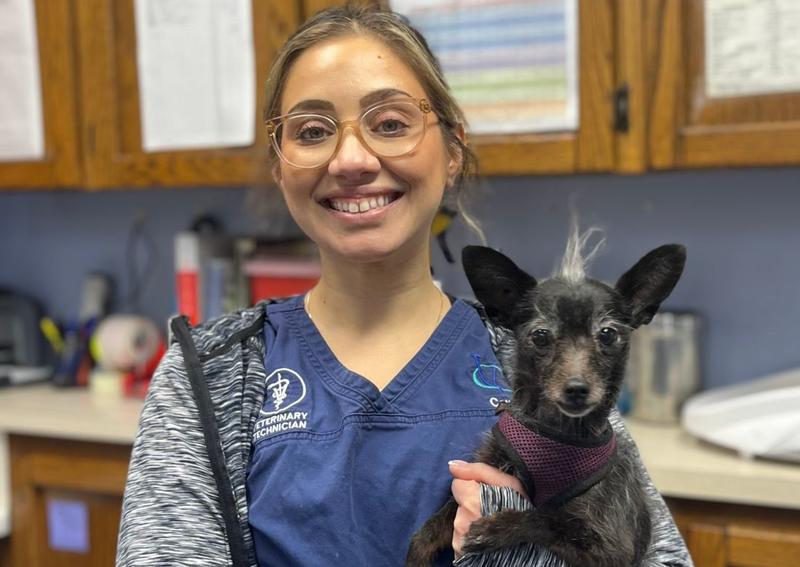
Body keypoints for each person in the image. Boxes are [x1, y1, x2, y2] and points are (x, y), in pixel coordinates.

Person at [116, 5, 692, 567]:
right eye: (312, 131)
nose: (351, 159)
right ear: (280, 166)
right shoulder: (214, 373)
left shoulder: (534, 354)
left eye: (390, 124)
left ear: (452, 152)